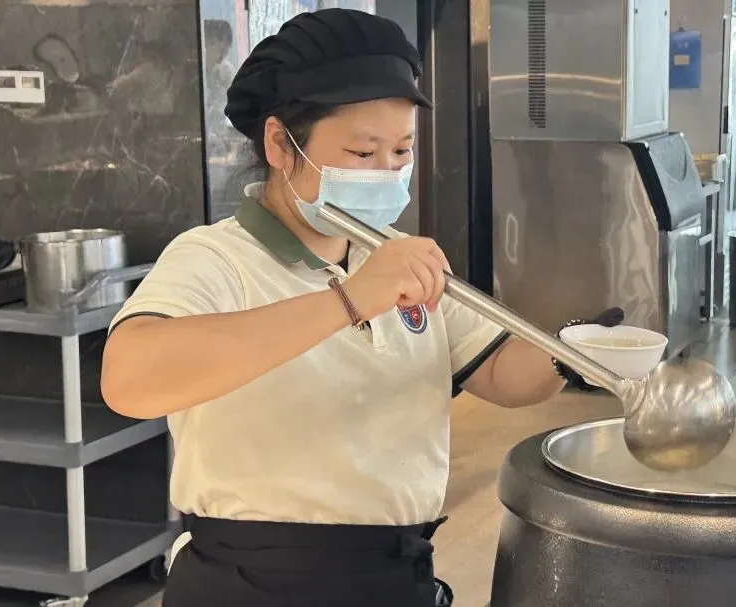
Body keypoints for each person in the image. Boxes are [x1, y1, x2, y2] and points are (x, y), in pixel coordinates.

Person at [100, 9, 615, 607]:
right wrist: (350, 299)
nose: (388, 172)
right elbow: (129, 380)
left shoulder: (398, 257)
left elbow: (498, 372)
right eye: (363, 153)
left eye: (402, 150)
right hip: (253, 584)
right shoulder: (216, 258)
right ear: (280, 144)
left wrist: (568, 354)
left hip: (393, 574)